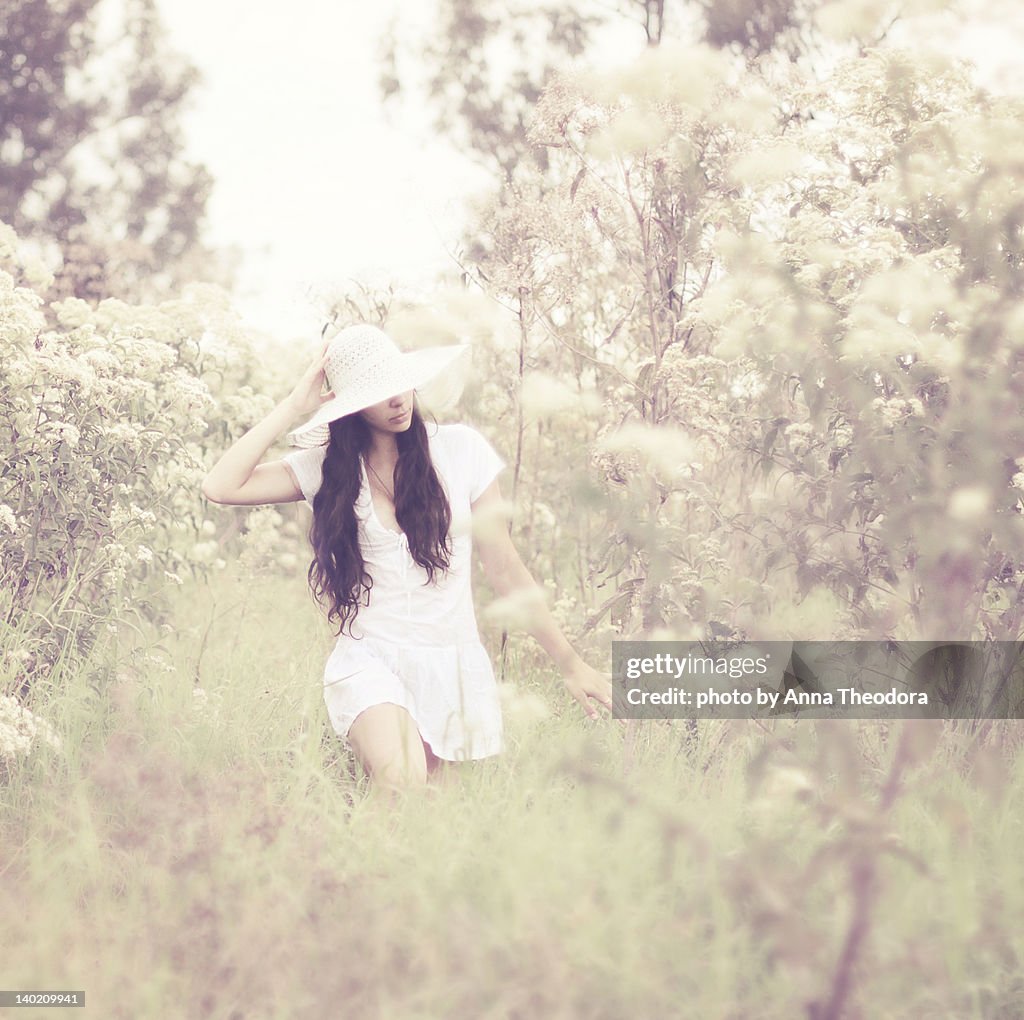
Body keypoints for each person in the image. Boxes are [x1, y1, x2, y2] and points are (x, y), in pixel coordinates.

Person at [202, 323, 612, 795]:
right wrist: (295, 406)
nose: (397, 399)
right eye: (378, 392)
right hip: (370, 658)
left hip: (452, 665)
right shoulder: (327, 469)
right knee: (402, 779)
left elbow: (505, 568)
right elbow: (221, 486)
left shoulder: (461, 451)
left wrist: (570, 662)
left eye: (399, 383)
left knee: (430, 823)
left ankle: (354, 870)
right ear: (350, 406)